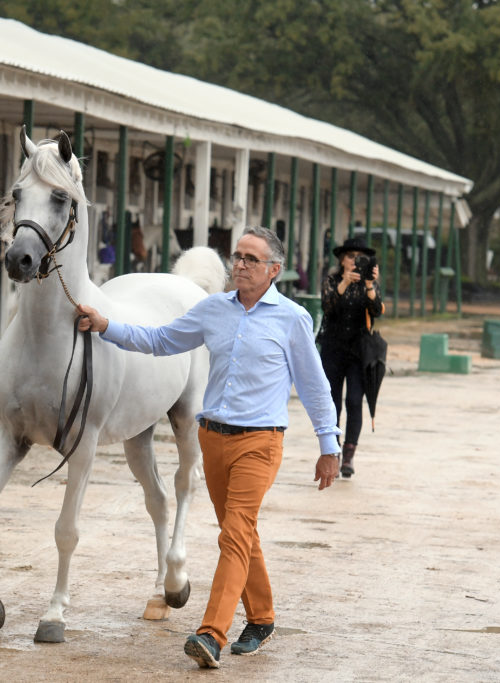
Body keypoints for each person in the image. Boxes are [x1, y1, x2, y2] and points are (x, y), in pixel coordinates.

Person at [76, 226, 341, 669]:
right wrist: (107, 327)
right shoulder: (212, 309)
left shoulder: (292, 319)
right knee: (242, 533)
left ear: (273, 270)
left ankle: (211, 633)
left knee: (233, 535)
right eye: (237, 256)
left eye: (250, 259)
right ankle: (262, 618)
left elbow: (314, 386)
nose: (238, 264)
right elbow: (160, 341)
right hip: (212, 440)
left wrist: (328, 444)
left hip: (260, 443)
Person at [317, 236, 383, 479]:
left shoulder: (370, 283)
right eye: (350, 256)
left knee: (355, 401)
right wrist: (344, 283)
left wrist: (369, 286)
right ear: (342, 260)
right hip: (333, 348)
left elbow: (377, 311)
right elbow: (328, 306)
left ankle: (349, 454)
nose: (355, 261)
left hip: (359, 351)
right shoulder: (333, 280)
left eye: (360, 257)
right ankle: (331, 452)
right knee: (331, 402)